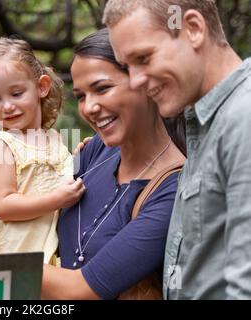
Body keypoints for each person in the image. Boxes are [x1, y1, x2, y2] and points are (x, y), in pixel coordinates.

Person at [103, 0, 251, 299]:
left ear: (193, 29)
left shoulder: (243, 118)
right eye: (127, 67)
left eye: (143, 58)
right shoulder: (204, 123)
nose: (136, 81)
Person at [41, 28, 186, 299]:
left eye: (102, 88)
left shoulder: (175, 190)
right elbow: (40, 196)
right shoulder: (97, 149)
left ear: (146, 82)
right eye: (81, 96)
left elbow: (81, 290)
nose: (89, 108)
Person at [0, 37, 85, 264]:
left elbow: (56, 181)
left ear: (41, 87)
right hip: (9, 265)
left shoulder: (55, 140)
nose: (7, 106)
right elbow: (4, 206)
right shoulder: (1, 144)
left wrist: (80, 157)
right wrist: (57, 199)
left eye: (16, 94)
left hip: (48, 262)